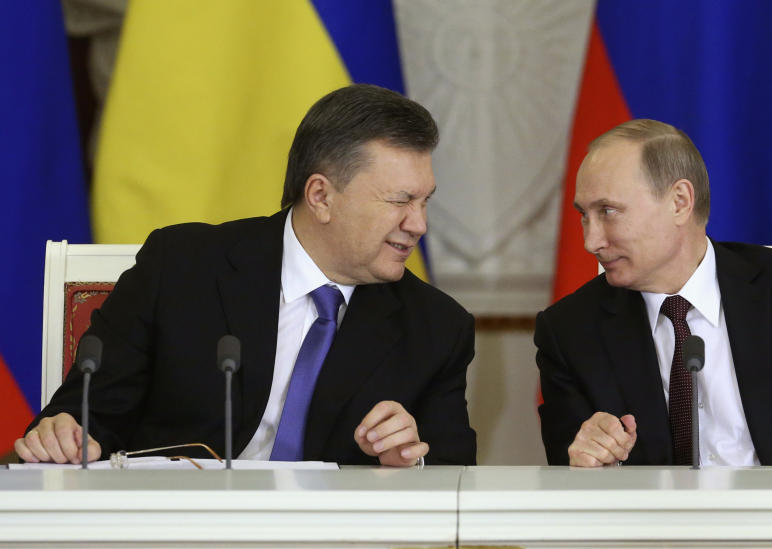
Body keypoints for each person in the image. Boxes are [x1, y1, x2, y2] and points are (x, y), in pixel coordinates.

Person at [17, 84, 476, 467]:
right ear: (320, 196)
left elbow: (455, 477)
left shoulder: (436, 327)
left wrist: (410, 461)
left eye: (424, 202)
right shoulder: (181, 267)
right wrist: (66, 433)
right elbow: (88, 412)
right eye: (400, 202)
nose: (418, 224)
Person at [536, 119, 772, 468]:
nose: (591, 240)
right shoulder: (569, 331)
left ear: (679, 202)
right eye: (584, 214)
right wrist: (589, 457)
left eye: (608, 211)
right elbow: (567, 464)